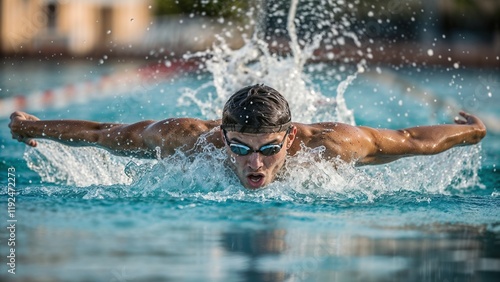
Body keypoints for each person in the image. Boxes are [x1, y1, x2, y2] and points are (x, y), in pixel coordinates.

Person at [9, 84, 486, 189]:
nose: (253, 164)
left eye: (268, 150)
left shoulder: (331, 144)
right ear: (221, 135)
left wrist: (471, 132)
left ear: (291, 137)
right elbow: (103, 134)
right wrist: (34, 128)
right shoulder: (189, 139)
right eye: (240, 148)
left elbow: (410, 138)